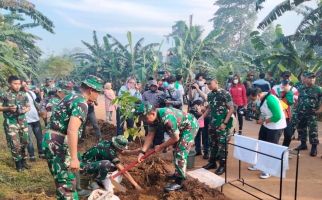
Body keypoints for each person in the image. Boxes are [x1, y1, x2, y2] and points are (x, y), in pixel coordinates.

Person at [42, 75, 103, 199]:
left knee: (62, 182)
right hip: (58, 142)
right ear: (91, 90)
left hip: (51, 140)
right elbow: (72, 129)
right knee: (67, 185)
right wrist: (74, 158)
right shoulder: (81, 103)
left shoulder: (71, 96)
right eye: (98, 93)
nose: (98, 96)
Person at [135, 103, 199, 192]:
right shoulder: (152, 119)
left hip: (190, 126)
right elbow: (150, 135)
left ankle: (180, 182)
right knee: (176, 150)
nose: (145, 121)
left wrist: (161, 146)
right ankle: (177, 173)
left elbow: (175, 138)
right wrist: (142, 152)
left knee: (180, 152)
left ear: (153, 113)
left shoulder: (167, 118)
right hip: (180, 127)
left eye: (145, 118)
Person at [248, 88, 286, 179]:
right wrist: (261, 118)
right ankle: (260, 164)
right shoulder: (261, 99)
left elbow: (277, 116)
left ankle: (269, 170)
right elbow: (263, 112)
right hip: (266, 125)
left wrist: (264, 120)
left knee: (271, 148)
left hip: (276, 127)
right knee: (261, 144)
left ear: (258, 95)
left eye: (253, 99)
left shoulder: (270, 99)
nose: (252, 101)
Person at [200, 79, 234, 176]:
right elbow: (210, 108)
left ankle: (222, 166)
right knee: (212, 144)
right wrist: (202, 117)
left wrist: (224, 123)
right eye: (207, 84)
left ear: (216, 82)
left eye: (210, 83)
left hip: (222, 124)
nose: (209, 86)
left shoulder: (224, 93)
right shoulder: (210, 95)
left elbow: (231, 108)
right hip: (212, 124)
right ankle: (212, 162)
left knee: (222, 146)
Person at [0, 75, 30, 172]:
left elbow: (28, 106)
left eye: (19, 84)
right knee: (15, 144)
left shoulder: (23, 94)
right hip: (11, 122)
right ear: (10, 84)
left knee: (25, 142)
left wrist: (26, 109)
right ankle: (18, 164)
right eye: (15, 84)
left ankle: (24, 160)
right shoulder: (4, 94)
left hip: (22, 122)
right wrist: (8, 108)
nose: (17, 86)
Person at [294, 72, 322, 156]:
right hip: (301, 112)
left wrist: (319, 110)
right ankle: (303, 144)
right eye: (310, 78)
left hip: (312, 113)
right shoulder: (301, 88)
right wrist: (296, 107)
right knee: (301, 129)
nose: (312, 79)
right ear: (305, 79)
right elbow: (297, 99)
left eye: (313, 78)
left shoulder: (318, 89)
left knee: (313, 131)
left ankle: (314, 148)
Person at [271, 72, 297, 148]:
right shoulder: (275, 88)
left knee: (288, 135)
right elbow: (272, 100)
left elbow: (293, 102)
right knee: (275, 135)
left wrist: (288, 92)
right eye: (284, 77)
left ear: (291, 78)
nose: (286, 79)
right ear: (281, 78)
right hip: (277, 115)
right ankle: (274, 152)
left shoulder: (294, 89)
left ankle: (284, 151)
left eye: (288, 77)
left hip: (288, 117)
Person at [21, 80, 45, 161]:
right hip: (26, 120)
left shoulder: (31, 93)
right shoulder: (19, 95)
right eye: (24, 85)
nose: (26, 86)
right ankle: (32, 156)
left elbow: (37, 101)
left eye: (26, 85)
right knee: (29, 139)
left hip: (35, 118)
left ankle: (41, 153)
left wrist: (39, 94)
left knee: (39, 137)